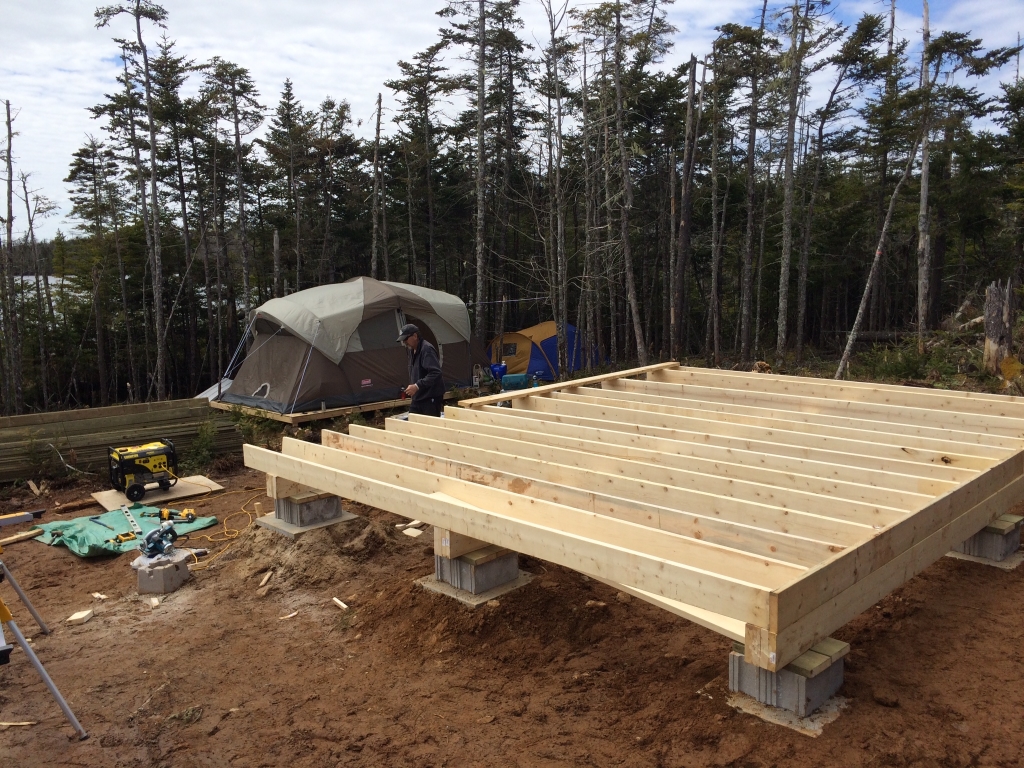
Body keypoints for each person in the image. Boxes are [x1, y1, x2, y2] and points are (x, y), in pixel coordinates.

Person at [397, 323, 445, 417]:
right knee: (413, 425)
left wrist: (417, 386)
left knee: (429, 428)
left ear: (415, 336)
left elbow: (436, 373)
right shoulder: (412, 350)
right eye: (403, 340)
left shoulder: (426, 349)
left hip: (430, 397)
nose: (405, 342)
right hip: (418, 397)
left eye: (406, 339)